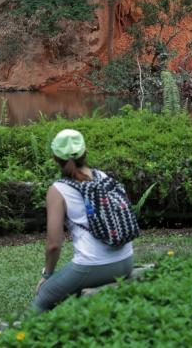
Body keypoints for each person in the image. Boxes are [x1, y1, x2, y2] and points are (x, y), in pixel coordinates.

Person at [33, 129, 134, 313]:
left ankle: (24, 337)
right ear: (84, 152)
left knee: (43, 297)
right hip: (126, 260)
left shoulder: (58, 190)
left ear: (55, 158)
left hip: (92, 266)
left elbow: (54, 244)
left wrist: (47, 275)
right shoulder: (102, 176)